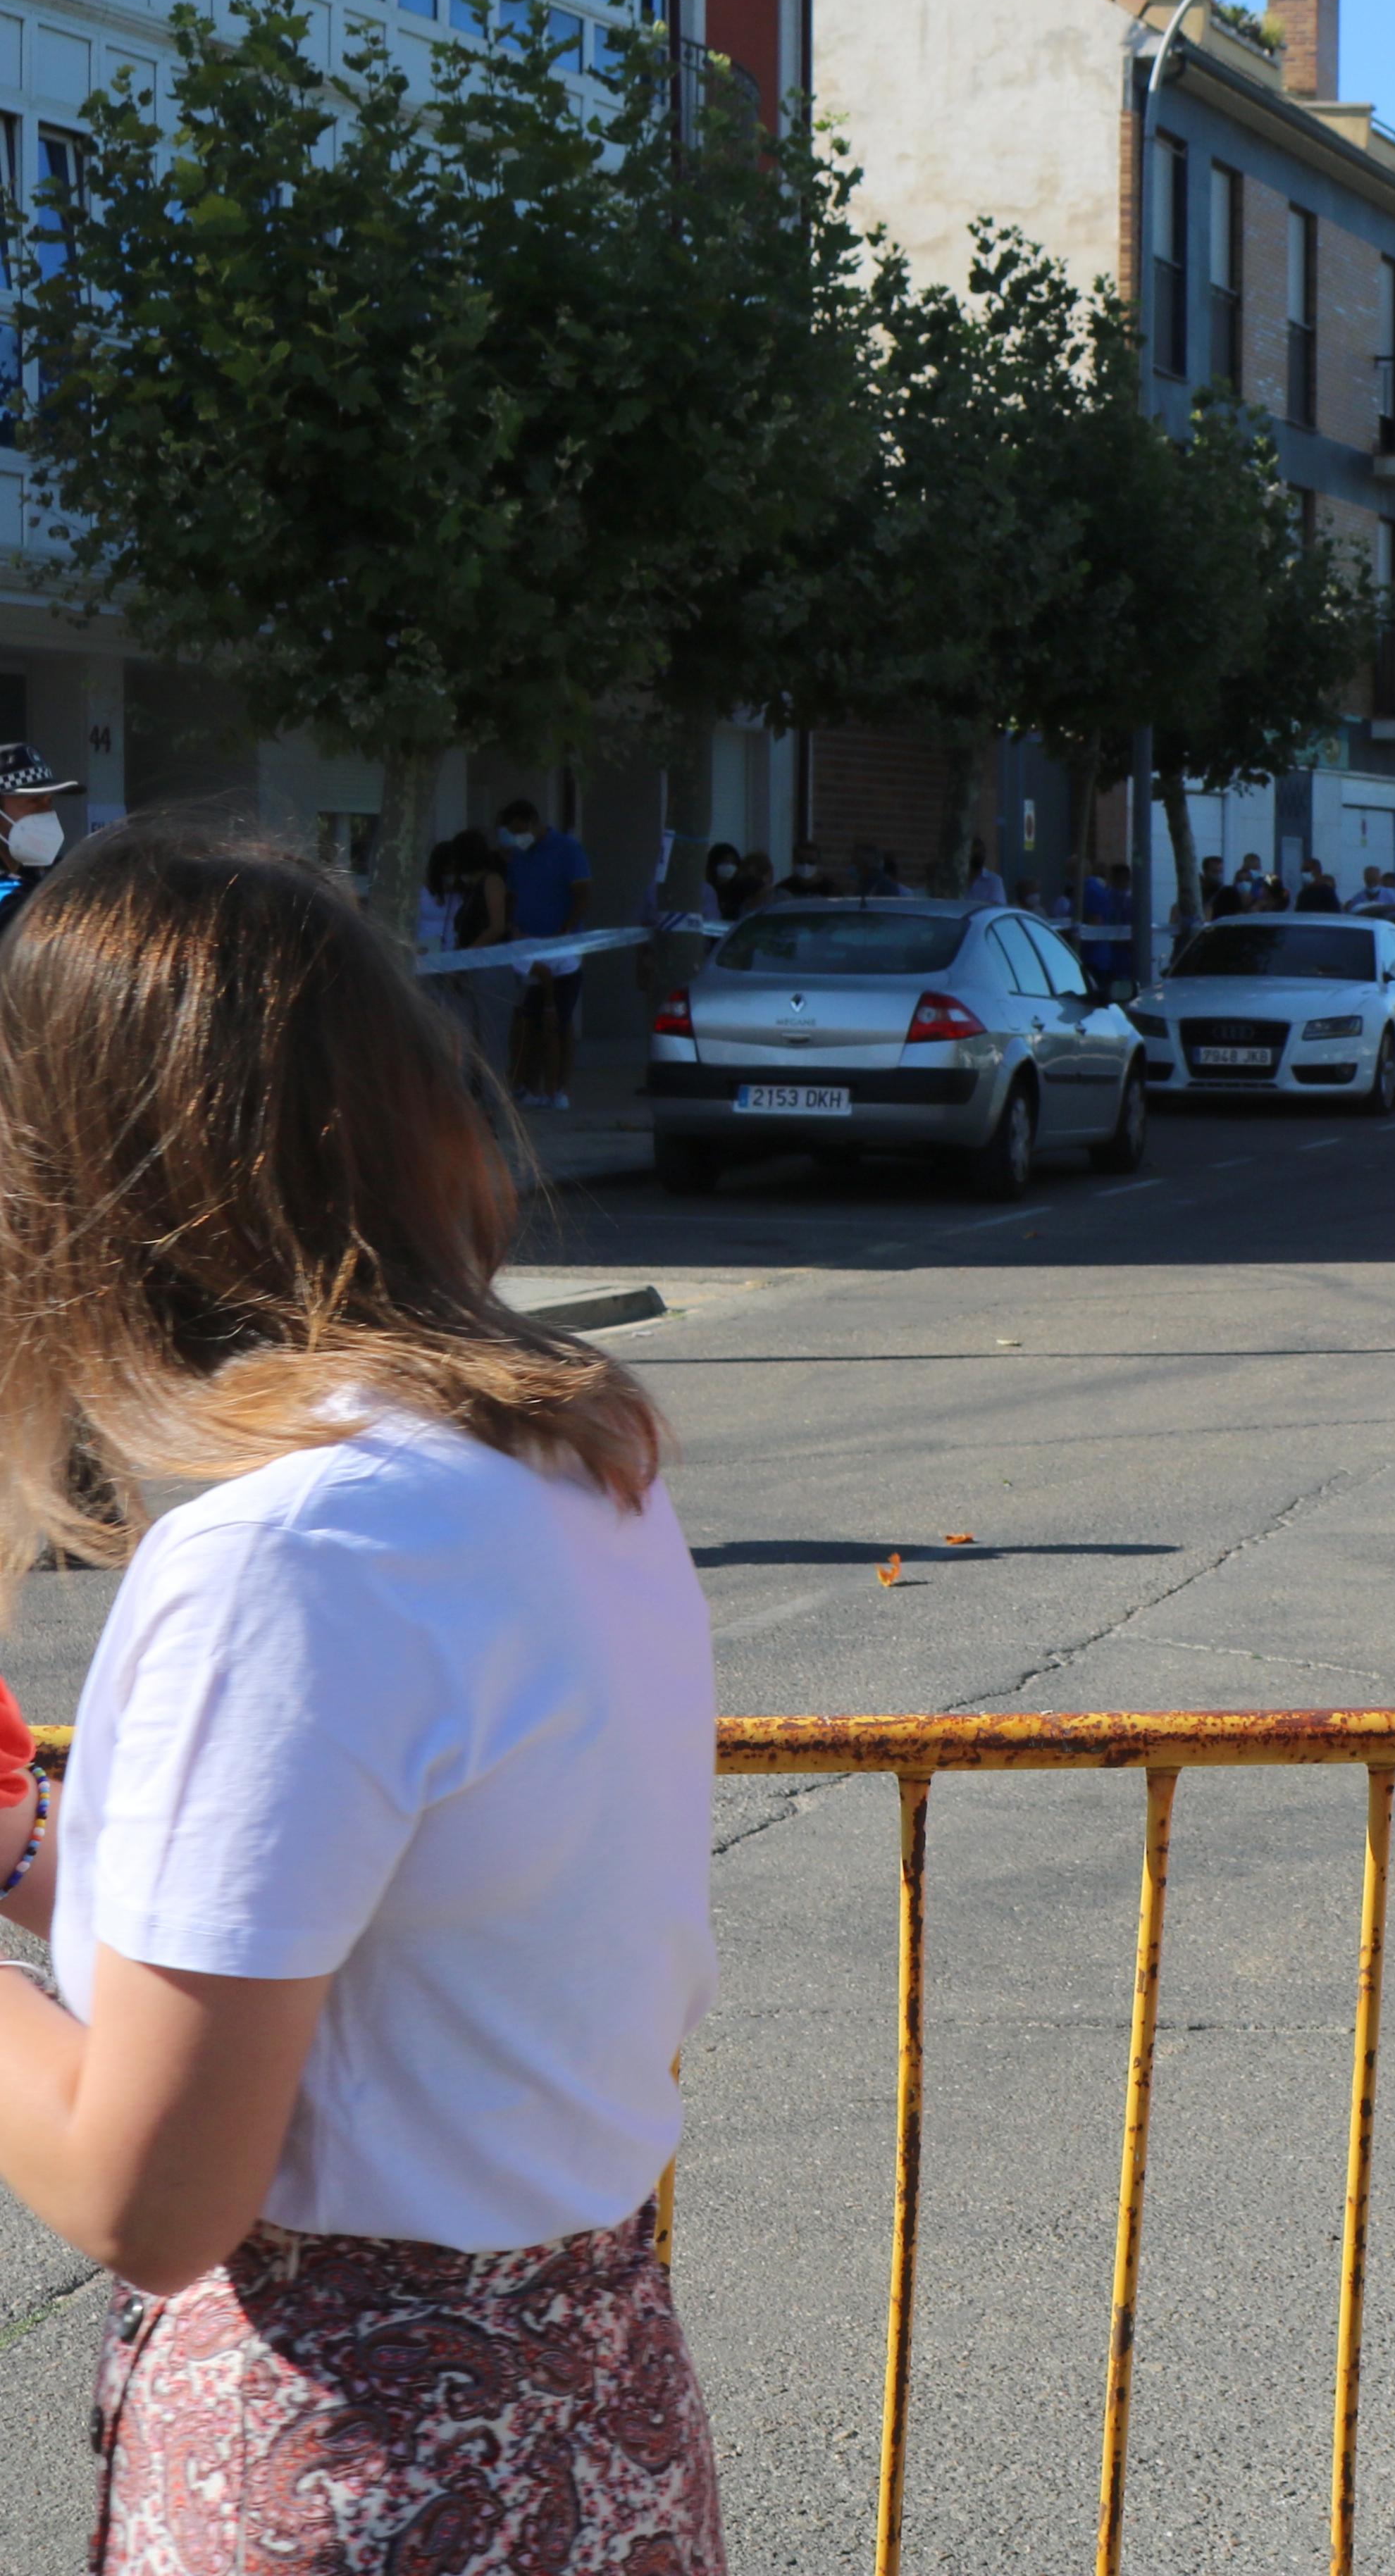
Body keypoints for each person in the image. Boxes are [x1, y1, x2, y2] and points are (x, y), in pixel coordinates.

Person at [0, 826, 724, 2566]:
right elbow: (392, 1935)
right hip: (585, 2398)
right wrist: (39, 1860)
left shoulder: (285, 1554)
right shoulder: (558, 1468)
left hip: (352, 2454)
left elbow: (151, 2194)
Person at [493, 798, 590, 1112]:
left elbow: (582, 895)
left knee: (559, 1021)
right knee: (527, 1021)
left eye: (521, 831)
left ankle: (559, 1089)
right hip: (526, 948)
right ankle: (528, 1086)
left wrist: (564, 933)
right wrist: (512, 927)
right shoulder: (519, 856)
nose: (517, 838)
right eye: (512, 833)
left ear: (535, 822)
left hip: (563, 949)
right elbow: (513, 894)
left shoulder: (567, 850)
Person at [0, 739, 78, 947]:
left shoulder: (52, 873)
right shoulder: (9, 897)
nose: (47, 813)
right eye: (34, 802)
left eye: (49, 802)